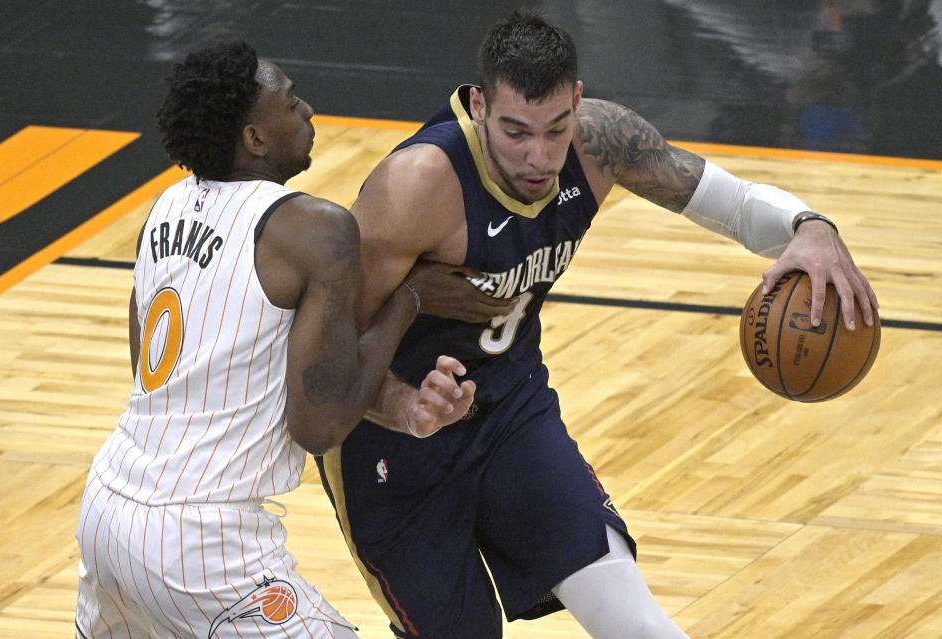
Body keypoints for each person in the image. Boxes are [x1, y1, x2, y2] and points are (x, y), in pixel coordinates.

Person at [314, 9, 879, 639]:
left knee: (638, 625)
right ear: (478, 106)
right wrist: (404, 406)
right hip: (390, 444)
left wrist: (812, 227)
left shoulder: (601, 141)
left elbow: (738, 205)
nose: (538, 157)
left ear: (578, 102)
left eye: (555, 129)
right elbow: (328, 360)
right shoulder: (416, 185)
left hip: (510, 410)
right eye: (515, 132)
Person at [74, 40, 508, 639]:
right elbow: (319, 426)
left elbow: (149, 367)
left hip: (108, 507)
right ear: (254, 138)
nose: (308, 110)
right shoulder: (316, 228)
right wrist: (411, 300)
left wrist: (405, 405)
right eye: (290, 101)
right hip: (202, 541)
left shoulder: (164, 208)